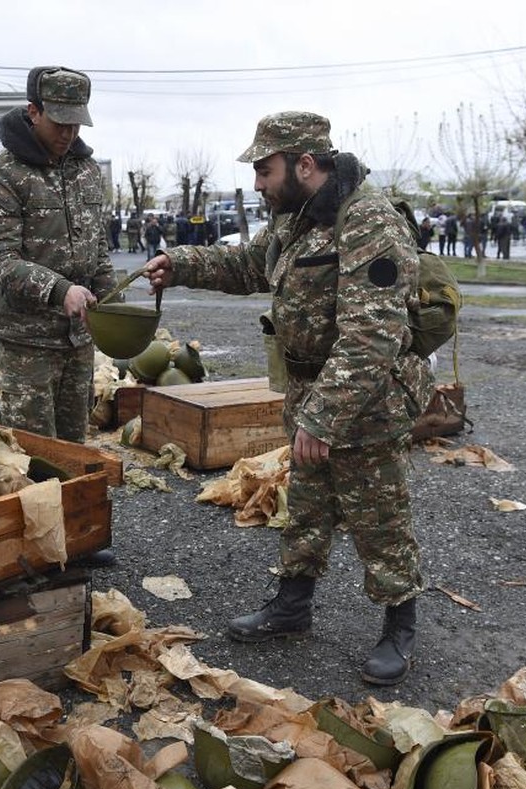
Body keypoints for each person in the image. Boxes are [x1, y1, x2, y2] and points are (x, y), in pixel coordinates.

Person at [145, 111, 434, 686]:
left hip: (366, 400)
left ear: (306, 164)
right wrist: (181, 264)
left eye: (264, 170)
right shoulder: (293, 217)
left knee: (379, 515)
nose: (257, 184)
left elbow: (372, 334)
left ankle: (399, 622)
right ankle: (292, 605)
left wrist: (323, 419)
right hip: (308, 390)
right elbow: (248, 264)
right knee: (307, 504)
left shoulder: (369, 220)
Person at [0, 66, 118, 444]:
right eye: (59, 123)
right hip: (27, 345)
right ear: (33, 111)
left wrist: (115, 300)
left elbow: (97, 247)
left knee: (73, 450)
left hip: (78, 341)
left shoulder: (85, 171)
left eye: (76, 124)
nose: (68, 134)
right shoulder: (2, 175)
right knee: (35, 455)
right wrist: (60, 290)